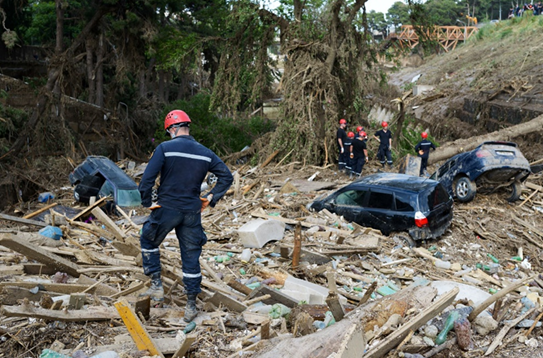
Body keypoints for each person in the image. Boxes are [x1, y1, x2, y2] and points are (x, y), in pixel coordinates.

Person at [138, 109, 233, 322]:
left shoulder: (165, 148)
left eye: (168, 130)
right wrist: (210, 197)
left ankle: (156, 286)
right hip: (192, 211)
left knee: (148, 239)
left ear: (172, 129)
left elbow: (146, 181)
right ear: (187, 126)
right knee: (191, 256)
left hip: (167, 208)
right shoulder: (205, 152)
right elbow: (226, 177)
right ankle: (191, 305)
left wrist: (148, 203)